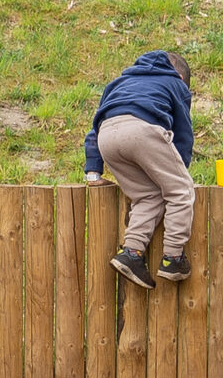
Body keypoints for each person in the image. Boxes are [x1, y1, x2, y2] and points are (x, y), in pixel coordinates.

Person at [82, 49, 197, 288]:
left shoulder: (118, 84)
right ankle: (173, 257)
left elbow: (94, 129)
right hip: (143, 131)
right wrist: (179, 171)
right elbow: (183, 135)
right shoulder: (176, 84)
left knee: (147, 196)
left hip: (107, 137)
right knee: (180, 191)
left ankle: (132, 253)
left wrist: (93, 172)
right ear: (181, 77)